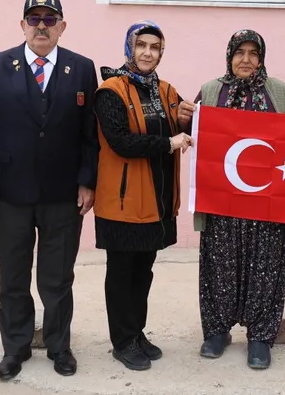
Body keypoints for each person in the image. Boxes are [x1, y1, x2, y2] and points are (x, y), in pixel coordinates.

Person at [0, 0, 99, 380]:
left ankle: (59, 345)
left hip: (63, 194)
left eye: (49, 19)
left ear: (62, 26)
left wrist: (87, 180)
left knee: (57, 276)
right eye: (34, 19)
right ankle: (16, 347)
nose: (41, 26)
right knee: (13, 275)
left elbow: (90, 133)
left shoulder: (81, 68)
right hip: (9, 194)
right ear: (22, 24)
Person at [185, 29, 285, 370]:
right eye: (240, 53)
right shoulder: (211, 91)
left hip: (268, 202)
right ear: (229, 55)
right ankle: (217, 331)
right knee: (220, 265)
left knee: (267, 266)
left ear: (261, 57)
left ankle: (261, 336)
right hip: (223, 202)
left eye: (253, 53)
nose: (246, 60)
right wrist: (188, 120)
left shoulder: (279, 91)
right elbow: (196, 138)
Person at [92, 20, 192, 371]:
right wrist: (168, 142)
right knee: (122, 274)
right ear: (129, 48)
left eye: (155, 47)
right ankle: (122, 341)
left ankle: (136, 333)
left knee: (144, 271)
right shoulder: (110, 90)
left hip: (157, 201)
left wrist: (186, 119)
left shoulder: (166, 90)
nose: (148, 53)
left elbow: (184, 127)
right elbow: (121, 142)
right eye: (142, 46)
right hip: (122, 202)